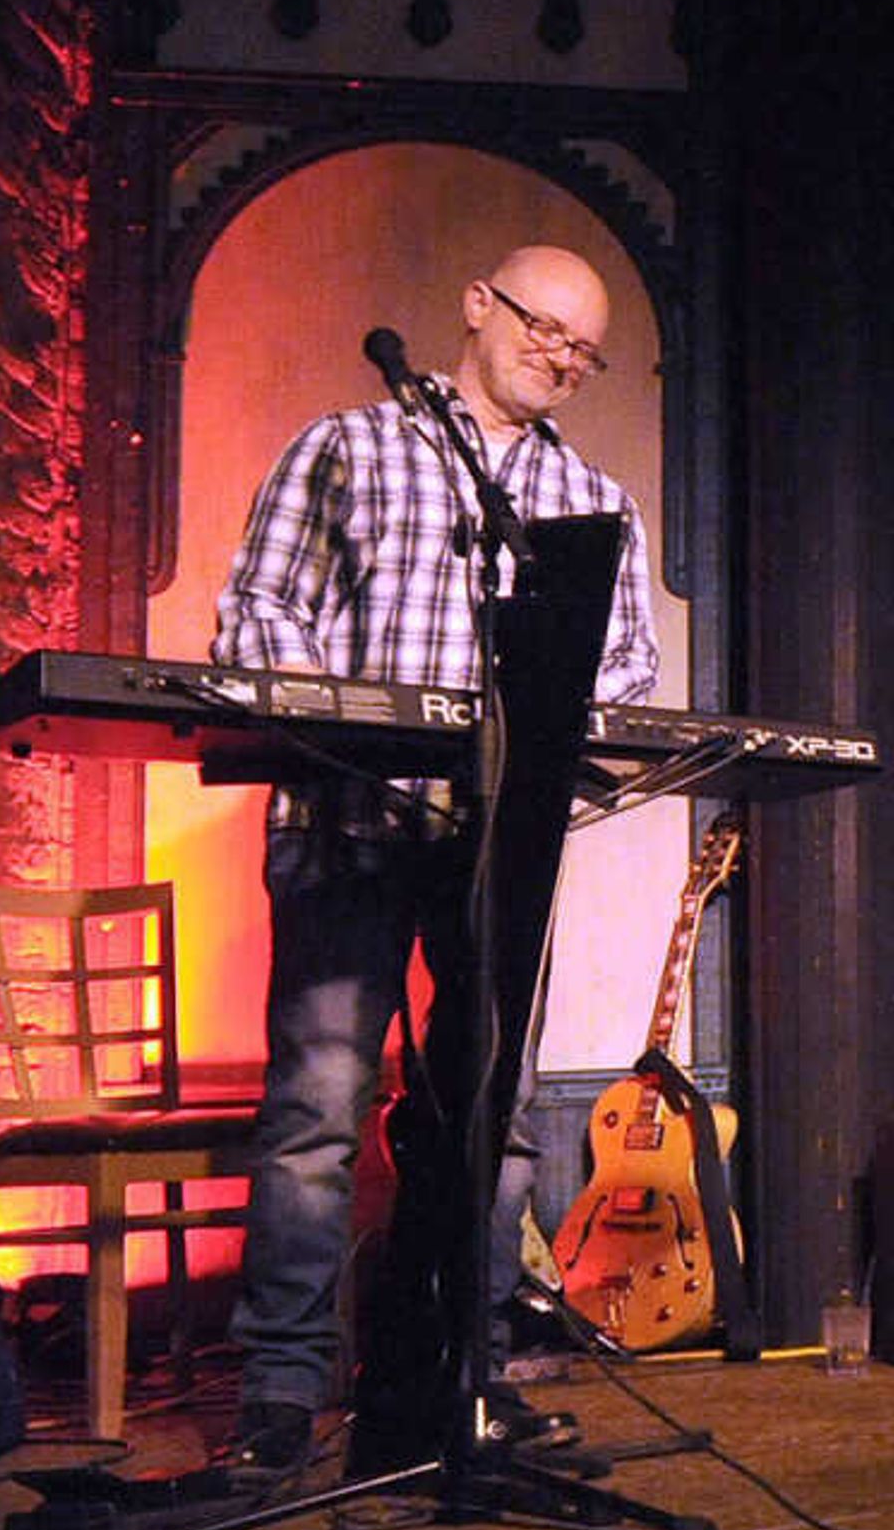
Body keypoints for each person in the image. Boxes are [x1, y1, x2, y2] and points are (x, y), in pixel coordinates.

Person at [212, 244, 663, 1468]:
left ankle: (457, 1367)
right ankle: (283, 1390)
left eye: (583, 348)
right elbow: (260, 618)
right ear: (477, 305)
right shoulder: (346, 447)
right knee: (317, 1109)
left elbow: (626, 672)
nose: (559, 356)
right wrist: (363, 720)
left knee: (494, 1116)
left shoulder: (592, 501)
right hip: (349, 828)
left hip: (492, 854)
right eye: (543, 326)